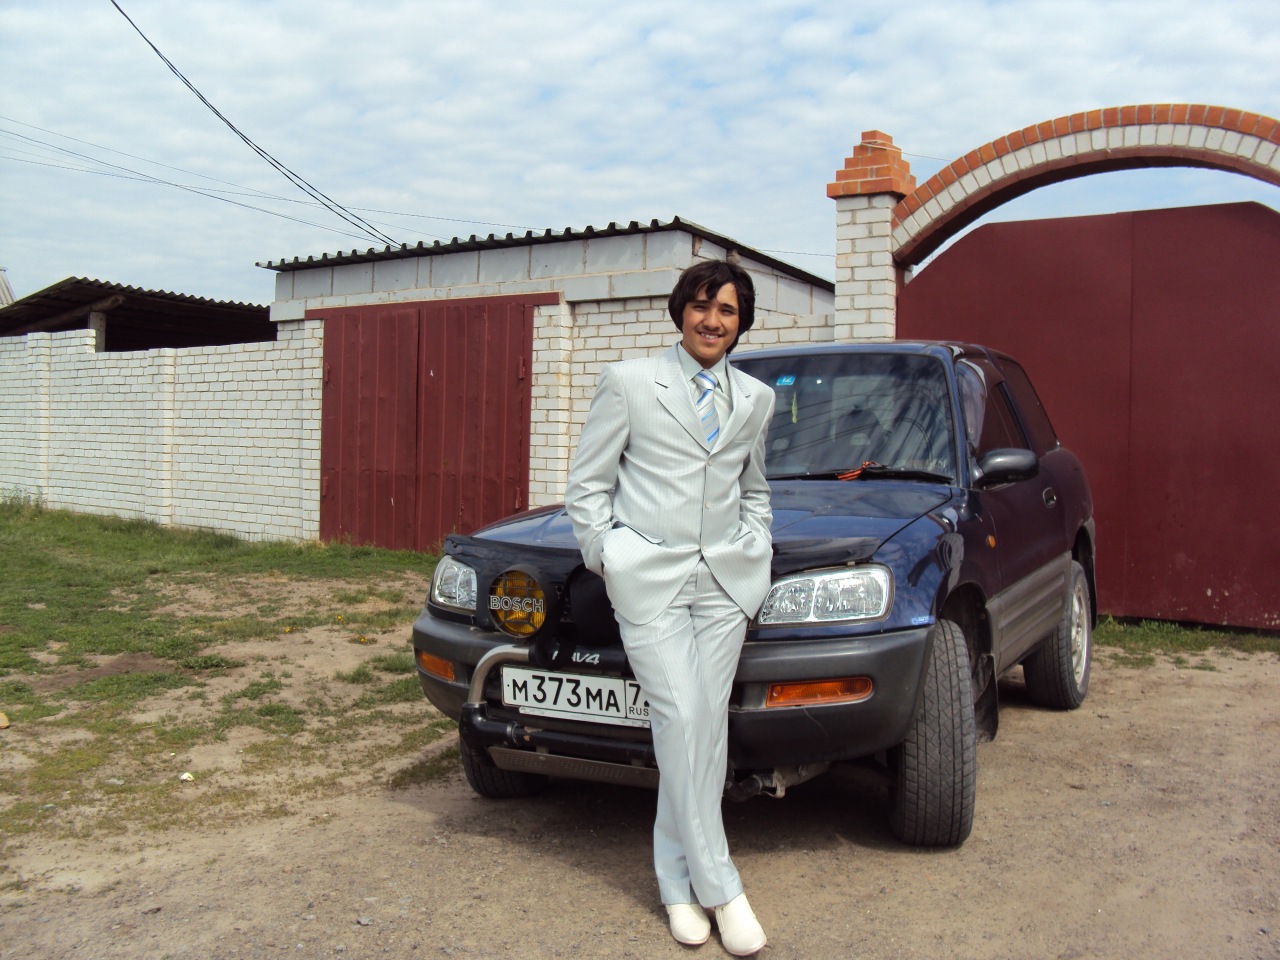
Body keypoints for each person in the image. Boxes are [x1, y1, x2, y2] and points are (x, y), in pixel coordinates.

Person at [565, 259, 774, 955]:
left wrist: (756, 543)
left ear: (741, 323)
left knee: (703, 733)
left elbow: (755, 489)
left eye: (727, 310)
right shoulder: (629, 382)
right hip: (649, 580)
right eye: (702, 305)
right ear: (681, 309)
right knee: (683, 719)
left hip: (725, 585)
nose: (713, 321)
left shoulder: (756, 399)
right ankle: (723, 887)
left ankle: (677, 886)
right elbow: (587, 485)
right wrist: (609, 555)